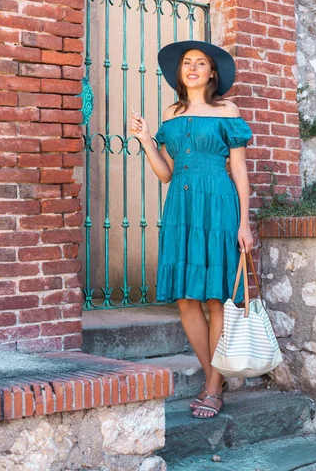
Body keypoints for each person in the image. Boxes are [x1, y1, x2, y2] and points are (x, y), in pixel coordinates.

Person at [130, 40, 253, 419]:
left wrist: (245, 222)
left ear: (213, 73)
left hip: (218, 204)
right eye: (188, 63)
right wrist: (146, 141)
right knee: (186, 298)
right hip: (181, 208)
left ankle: (213, 387)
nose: (194, 67)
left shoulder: (226, 110)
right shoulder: (173, 112)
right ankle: (212, 376)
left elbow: (240, 171)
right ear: (180, 72)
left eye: (201, 63)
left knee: (215, 298)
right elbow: (166, 173)